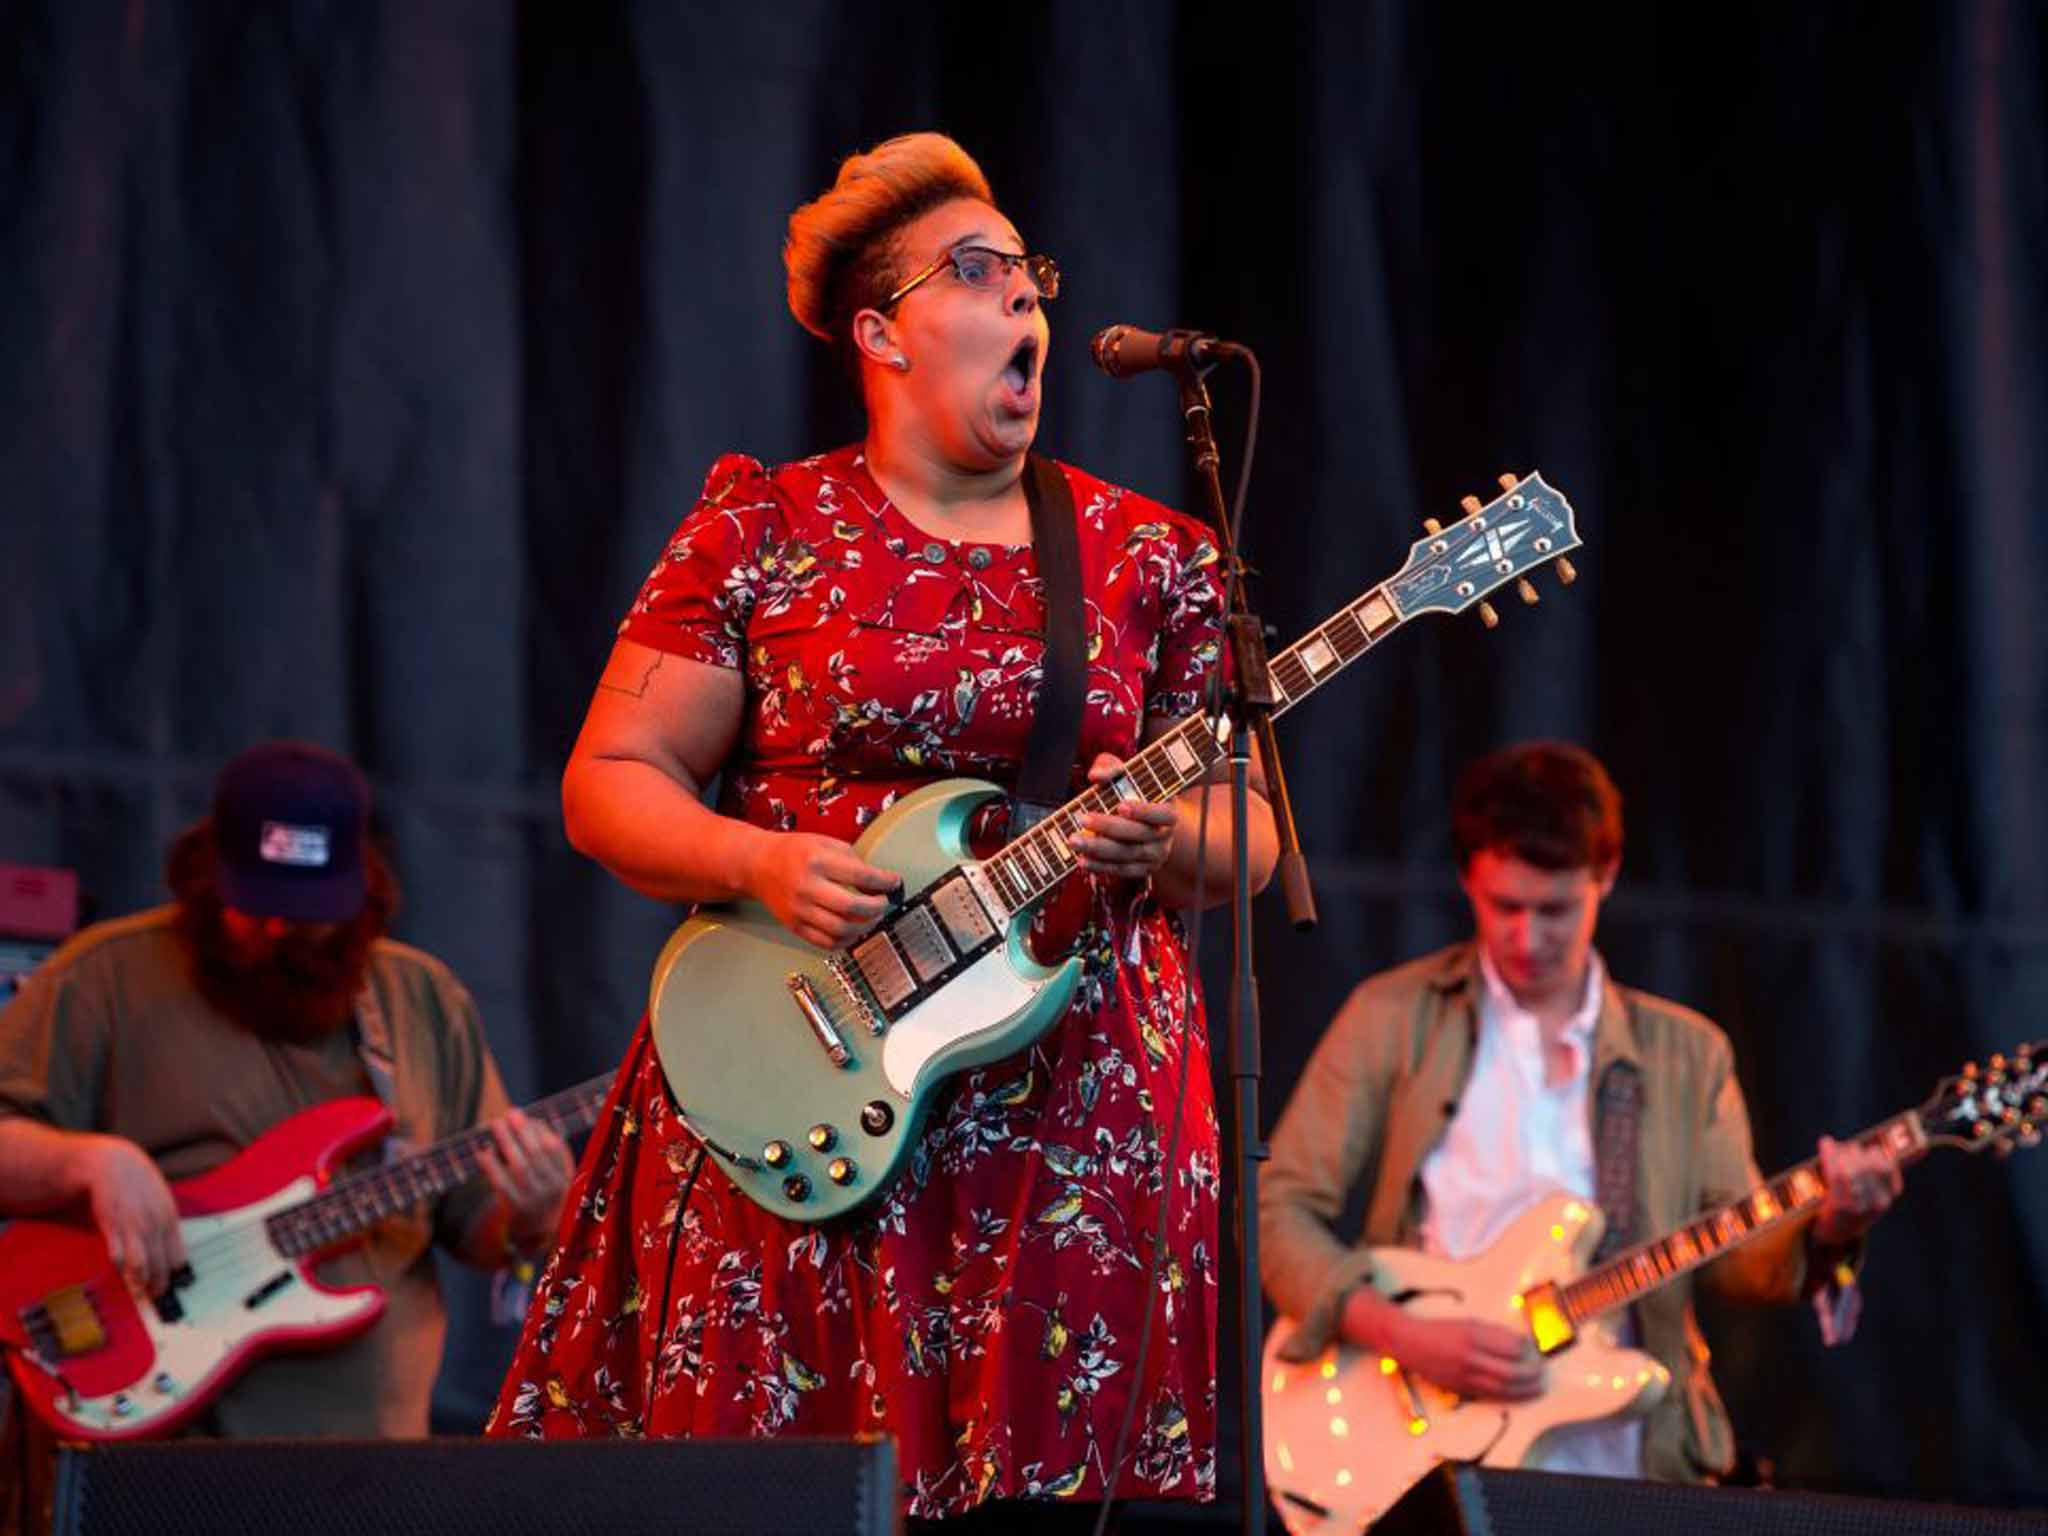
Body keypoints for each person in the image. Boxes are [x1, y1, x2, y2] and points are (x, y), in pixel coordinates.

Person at [484, 132, 1277, 1531]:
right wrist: (760, 860)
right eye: (978, 274)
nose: (1027, 305)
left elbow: (1259, 838)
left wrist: (1168, 844)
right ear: (881, 330)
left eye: (1030, 276)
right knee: (775, 1492)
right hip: (803, 1082)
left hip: (1072, 1130)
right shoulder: (766, 527)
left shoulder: (1152, 555)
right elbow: (609, 780)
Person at [1259, 740, 1902, 1482]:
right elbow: (1278, 1209)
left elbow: (1737, 1267)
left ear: (1607, 874)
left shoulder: (1689, 1054)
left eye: (1556, 909)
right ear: (1467, 876)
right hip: (1427, 1449)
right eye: (1506, 906)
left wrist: (1833, 1225)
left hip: (1628, 1458)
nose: (1527, 938)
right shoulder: (1390, 1017)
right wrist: (1402, 1333)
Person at [0, 741, 574, 1444]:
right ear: (207, 878)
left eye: (311, 911)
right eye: (260, 904)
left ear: (364, 891)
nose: (284, 929)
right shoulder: (102, 979)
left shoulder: (419, 998)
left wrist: (536, 1214)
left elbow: (477, 1228)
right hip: (158, 1456)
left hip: (370, 1459)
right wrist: (85, 1162)